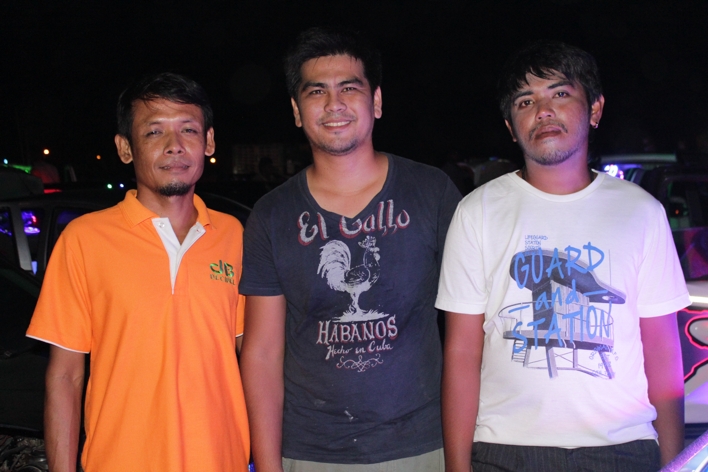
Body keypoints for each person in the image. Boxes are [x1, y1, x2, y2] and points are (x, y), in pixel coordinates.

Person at [436, 40, 690, 471]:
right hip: (505, 449)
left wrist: (672, 463)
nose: (543, 111)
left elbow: (663, 352)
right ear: (511, 125)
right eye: (525, 101)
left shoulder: (641, 211)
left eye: (560, 93)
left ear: (594, 109)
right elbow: (461, 355)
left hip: (623, 448)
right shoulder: (477, 211)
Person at [239, 27, 461, 472]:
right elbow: (261, 354)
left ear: (376, 101)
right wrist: (267, 465)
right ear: (296, 111)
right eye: (316, 91)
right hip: (310, 451)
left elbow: (469, 330)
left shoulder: (432, 193)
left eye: (349, 88)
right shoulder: (272, 214)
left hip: (422, 445)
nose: (333, 103)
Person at [26, 73, 250, 472]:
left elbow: (255, 360)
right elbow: (65, 377)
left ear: (209, 142)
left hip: (221, 460)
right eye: (154, 132)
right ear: (125, 148)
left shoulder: (234, 236)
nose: (174, 145)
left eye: (188, 129)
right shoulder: (84, 239)